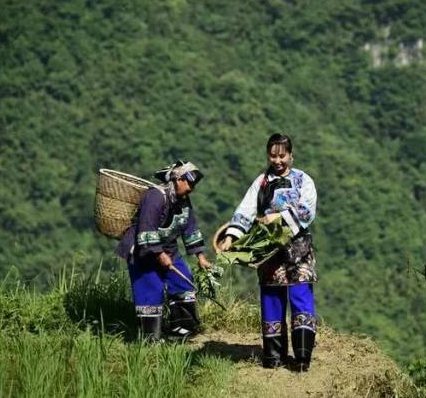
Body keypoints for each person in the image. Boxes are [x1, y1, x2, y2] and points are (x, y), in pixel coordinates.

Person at [219, 133, 318, 371]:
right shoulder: (260, 183)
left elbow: (307, 211)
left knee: (300, 297)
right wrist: (231, 236)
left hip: (298, 251)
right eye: (273, 155)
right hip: (269, 252)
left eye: (282, 155)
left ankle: (302, 358)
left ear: (291, 155)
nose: (277, 160)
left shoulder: (304, 181)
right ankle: (274, 357)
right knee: (272, 299)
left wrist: (279, 217)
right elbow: (245, 210)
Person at [115, 161, 212, 341]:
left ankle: (182, 329)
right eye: (189, 183)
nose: (192, 187)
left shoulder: (183, 200)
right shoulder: (155, 197)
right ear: (178, 180)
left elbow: (190, 227)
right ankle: (150, 338)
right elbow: (146, 228)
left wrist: (200, 256)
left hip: (168, 250)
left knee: (183, 281)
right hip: (142, 252)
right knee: (152, 289)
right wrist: (159, 255)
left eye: (194, 184)